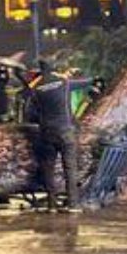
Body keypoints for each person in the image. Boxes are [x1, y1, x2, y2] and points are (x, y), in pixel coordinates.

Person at [28, 59, 93, 212]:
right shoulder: (64, 82)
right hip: (65, 131)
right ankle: (73, 204)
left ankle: (52, 204)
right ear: (53, 68)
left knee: (48, 168)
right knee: (70, 168)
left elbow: (31, 112)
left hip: (46, 132)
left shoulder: (35, 87)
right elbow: (87, 81)